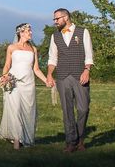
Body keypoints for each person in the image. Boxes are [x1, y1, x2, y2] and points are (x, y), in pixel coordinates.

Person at [46, 8, 94, 153]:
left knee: (83, 109)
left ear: (66, 18)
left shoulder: (83, 32)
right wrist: (49, 74)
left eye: (57, 19)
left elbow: (89, 54)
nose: (55, 21)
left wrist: (87, 70)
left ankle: (80, 139)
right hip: (62, 76)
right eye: (54, 19)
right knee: (67, 111)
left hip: (80, 75)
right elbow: (52, 58)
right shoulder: (55, 36)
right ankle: (71, 142)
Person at [0, 23, 48, 149]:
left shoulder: (33, 49)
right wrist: (4, 77)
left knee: (27, 111)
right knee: (15, 110)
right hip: (13, 82)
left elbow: (36, 69)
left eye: (30, 30)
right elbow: (7, 66)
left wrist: (47, 80)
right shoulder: (11, 48)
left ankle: (26, 138)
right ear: (21, 32)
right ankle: (16, 141)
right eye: (28, 30)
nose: (31, 33)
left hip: (28, 84)